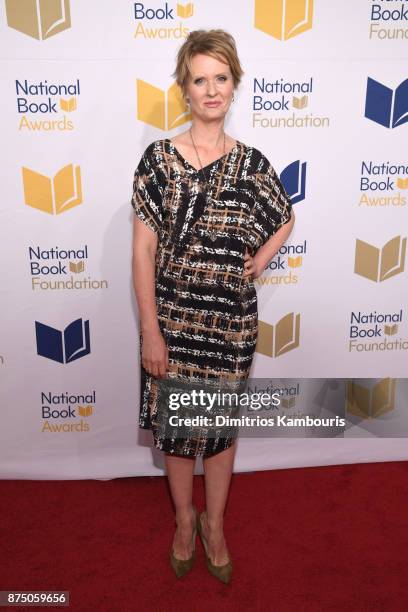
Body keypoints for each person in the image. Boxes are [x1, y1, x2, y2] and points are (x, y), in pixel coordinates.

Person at [131, 29, 295, 584]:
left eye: (220, 78)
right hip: (173, 326)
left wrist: (260, 257)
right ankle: (183, 523)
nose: (211, 89)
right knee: (179, 434)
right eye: (200, 79)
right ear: (185, 89)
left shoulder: (251, 166)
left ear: (234, 84)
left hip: (230, 326)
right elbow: (141, 253)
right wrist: (151, 333)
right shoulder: (157, 160)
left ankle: (214, 525)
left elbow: (284, 215)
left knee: (220, 434)